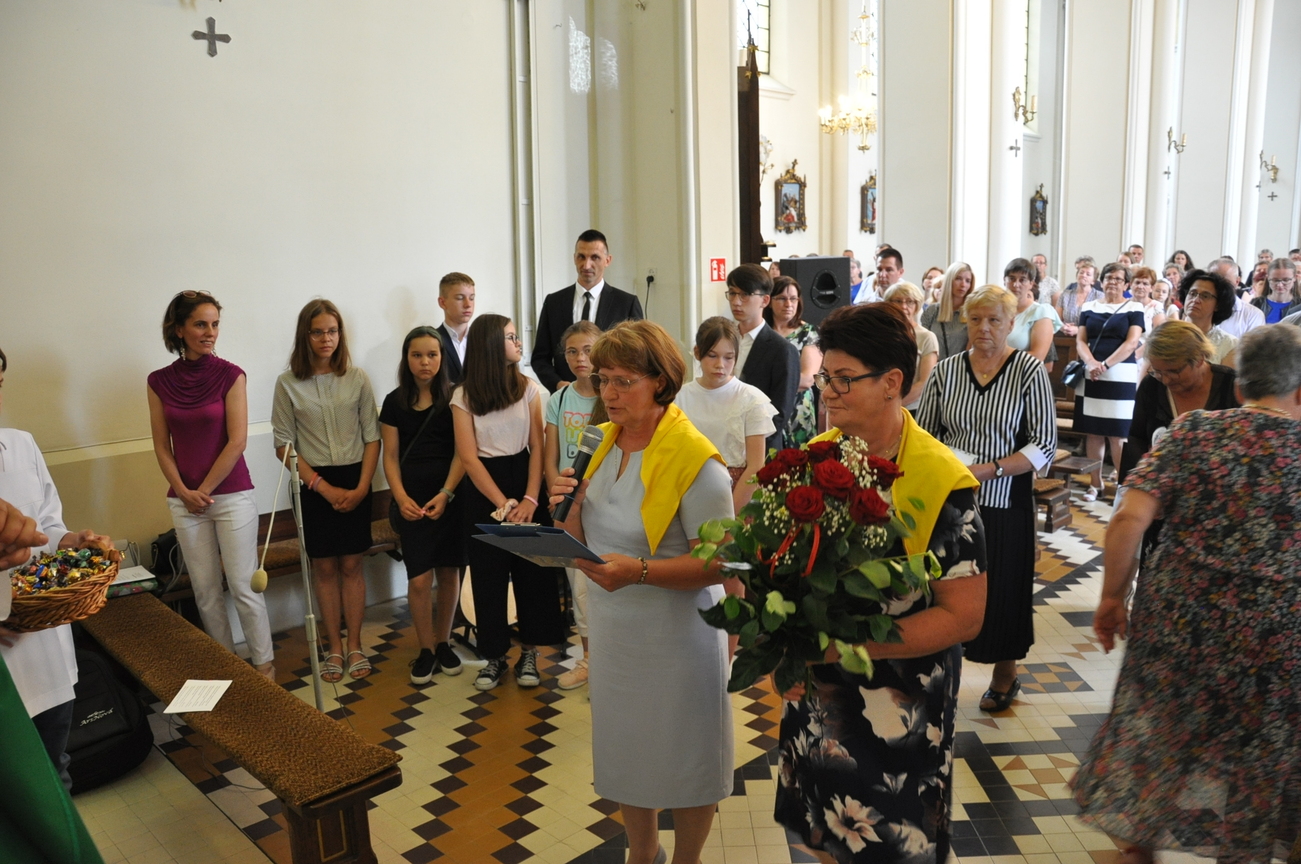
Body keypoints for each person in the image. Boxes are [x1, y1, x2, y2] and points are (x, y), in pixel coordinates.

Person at [1073, 324, 1301, 864]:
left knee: (1157, 726)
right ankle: (1241, 852)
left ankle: (1138, 844)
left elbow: (1128, 517)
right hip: (1277, 637)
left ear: (1239, 386)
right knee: (1258, 748)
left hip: (1179, 623)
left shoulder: (1194, 431)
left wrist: (1112, 598)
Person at [774, 303, 987, 864]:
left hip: (897, 705)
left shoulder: (941, 480)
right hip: (819, 695)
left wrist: (850, 645)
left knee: (891, 844)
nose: (828, 391)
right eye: (826, 377)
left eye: (844, 379)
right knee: (820, 835)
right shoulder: (815, 462)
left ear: (892, 383)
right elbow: (784, 579)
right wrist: (782, 652)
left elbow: (964, 615)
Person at [548, 320, 735, 864]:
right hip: (617, 634)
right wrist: (567, 509)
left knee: (688, 760)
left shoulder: (695, 461)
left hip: (678, 639)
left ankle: (687, 859)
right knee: (628, 754)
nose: (608, 393)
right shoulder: (600, 445)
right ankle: (643, 852)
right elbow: (583, 545)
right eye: (603, 379)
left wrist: (642, 572)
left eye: (623, 381)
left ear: (660, 382)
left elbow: (719, 561)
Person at [916, 286, 1056, 713]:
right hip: (952, 501)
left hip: (1005, 499)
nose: (984, 328)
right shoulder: (947, 371)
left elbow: (1043, 444)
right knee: (948, 587)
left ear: (1011, 324)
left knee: (1003, 586)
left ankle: (1004, 673)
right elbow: (926, 435)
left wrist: (989, 469)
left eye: (994, 320)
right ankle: (942, 671)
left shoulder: (1028, 371)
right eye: (976, 319)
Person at [1, 347, 124, 790]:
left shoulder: (20, 445)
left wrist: (72, 541)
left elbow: (48, 528)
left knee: (55, 776)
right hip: (5, 658)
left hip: (46, 649)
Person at [147, 291, 275, 681]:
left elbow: (237, 441)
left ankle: (264, 668)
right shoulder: (158, 381)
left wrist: (202, 489)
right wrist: (184, 492)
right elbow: (161, 445)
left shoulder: (231, 375)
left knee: (243, 587)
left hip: (232, 496)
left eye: (215, 324)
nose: (210, 332)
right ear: (179, 329)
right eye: (201, 324)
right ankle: (227, 669)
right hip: (185, 502)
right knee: (205, 591)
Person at [453, 314, 565, 691]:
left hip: (526, 481)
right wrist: (503, 503)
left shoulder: (528, 388)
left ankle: (529, 653)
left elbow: (537, 445)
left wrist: (531, 498)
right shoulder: (463, 395)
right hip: (485, 490)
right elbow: (468, 458)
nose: (518, 343)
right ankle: (495, 656)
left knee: (532, 574)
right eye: (511, 337)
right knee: (489, 577)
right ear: (489, 345)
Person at [271, 299, 381, 682]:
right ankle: (333, 646)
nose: (326, 339)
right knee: (324, 567)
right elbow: (283, 445)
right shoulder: (288, 383)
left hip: (356, 478)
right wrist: (322, 487)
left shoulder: (357, 377)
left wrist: (363, 486)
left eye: (332, 331)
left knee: (352, 565)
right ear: (305, 336)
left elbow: (372, 437)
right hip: (313, 485)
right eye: (317, 332)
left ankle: (355, 644)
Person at [1115, 321, 1239, 580]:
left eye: (1173, 371)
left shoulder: (1232, 387)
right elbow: (1137, 437)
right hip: (1161, 504)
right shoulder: (1153, 386)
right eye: (1158, 371)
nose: (1166, 379)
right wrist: (1140, 490)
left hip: (1215, 510)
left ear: (1199, 358)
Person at [379, 326, 467, 684]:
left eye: (432, 354)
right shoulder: (394, 402)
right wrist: (401, 498)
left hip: (450, 498)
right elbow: (390, 457)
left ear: (442, 358)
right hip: (411, 501)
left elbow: (463, 452)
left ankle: (444, 642)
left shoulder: (456, 397)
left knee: (448, 572)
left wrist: (446, 493)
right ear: (407, 359)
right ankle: (426, 648)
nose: (425, 362)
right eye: (417, 355)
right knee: (418, 579)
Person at [542, 321, 606, 691]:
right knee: (578, 586)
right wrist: (559, 500)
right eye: (571, 351)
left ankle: (610, 663)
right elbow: (550, 457)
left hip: (604, 500)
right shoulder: (559, 400)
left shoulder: (610, 395)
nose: (580, 358)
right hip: (569, 504)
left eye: (587, 350)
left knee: (605, 581)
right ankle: (588, 660)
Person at [675, 317, 777, 514]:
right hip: (688, 488)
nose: (720, 365)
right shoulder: (679, 397)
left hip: (737, 490)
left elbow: (756, 465)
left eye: (728, 357)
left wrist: (731, 514)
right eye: (712, 356)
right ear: (698, 353)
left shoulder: (751, 399)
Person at [531, 229, 644, 392]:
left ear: (607, 260)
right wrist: (558, 384)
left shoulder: (626, 303)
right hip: (567, 396)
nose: (586, 265)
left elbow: (638, 356)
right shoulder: (554, 302)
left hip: (613, 394)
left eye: (595, 257)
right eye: (581, 257)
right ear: (574, 258)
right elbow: (540, 357)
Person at [1072, 263, 1145, 501]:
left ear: (1126, 284)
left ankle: (1123, 486)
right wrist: (1091, 362)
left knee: (1118, 435)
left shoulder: (1134, 307)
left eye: (1118, 279)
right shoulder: (1089, 306)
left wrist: (1104, 365)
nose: (1112, 282)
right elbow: (1081, 341)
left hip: (1120, 375)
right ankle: (1096, 484)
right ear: (1101, 282)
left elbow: (1131, 343)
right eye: (1108, 278)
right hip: (1091, 373)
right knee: (1093, 433)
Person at [726, 264, 800, 453]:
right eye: (732, 293)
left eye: (744, 295)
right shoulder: (724, 339)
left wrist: (745, 446)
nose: (736, 302)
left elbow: (779, 414)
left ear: (765, 300)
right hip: (721, 443)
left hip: (759, 450)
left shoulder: (782, 350)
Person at [764, 275, 822, 446]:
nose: (789, 304)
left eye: (793, 299)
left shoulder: (808, 332)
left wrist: (767, 385)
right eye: (782, 298)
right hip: (765, 409)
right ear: (769, 301)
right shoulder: (762, 332)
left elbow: (807, 379)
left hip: (798, 409)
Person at [883, 281, 939, 409]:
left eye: (909, 302)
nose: (903, 306)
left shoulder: (927, 337)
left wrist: (894, 404)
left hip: (913, 409)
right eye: (897, 301)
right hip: (882, 406)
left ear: (917, 306)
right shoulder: (881, 335)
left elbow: (925, 382)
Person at [1004, 257, 1062, 365]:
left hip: (1024, 372)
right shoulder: (996, 310)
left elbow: (1038, 356)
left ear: (1031, 283)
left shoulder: (1041, 311)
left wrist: (998, 357)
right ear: (1004, 280)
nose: (1016, 284)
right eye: (1011, 278)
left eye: (1022, 280)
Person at [1178, 268, 1238, 365]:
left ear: (1218, 305)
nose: (1196, 300)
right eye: (1192, 293)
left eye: (1205, 296)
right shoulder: (1166, 334)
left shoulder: (1229, 344)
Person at [921, 261, 975, 361]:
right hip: (933, 367)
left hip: (961, 367)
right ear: (949, 280)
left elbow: (972, 350)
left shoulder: (973, 313)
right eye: (958, 279)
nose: (963, 284)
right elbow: (922, 343)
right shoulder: (932, 311)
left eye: (968, 281)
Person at [435, 272, 475, 385]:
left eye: (472, 298)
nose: (468, 304)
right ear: (443, 303)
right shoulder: (433, 341)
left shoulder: (483, 339)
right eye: (460, 298)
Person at [1055, 256, 1103, 335]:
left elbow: (1099, 323)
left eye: (1088, 274)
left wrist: (1078, 330)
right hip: (1065, 336)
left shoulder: (1100, 297)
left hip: (1089, 337)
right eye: (1081, 272)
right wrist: (1063, 327)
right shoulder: (1065, 294)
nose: (1084, 275)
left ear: (1093, 281)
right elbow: (1056, 319)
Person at [1250, 257, 1301, 323]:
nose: (1280, 285)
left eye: (1286, 280)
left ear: (1295, 278)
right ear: (1268, 278)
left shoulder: (1299, 306)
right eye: (1275, 280)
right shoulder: (1257, 303)